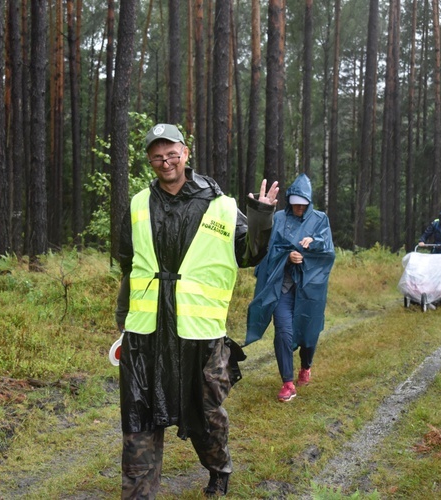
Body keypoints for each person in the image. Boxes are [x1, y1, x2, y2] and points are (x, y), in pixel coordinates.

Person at [115, 123, 279, 498]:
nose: (165, 161)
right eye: (157, 155)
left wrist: (262, 216)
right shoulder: (139, 203)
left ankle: (219, 471)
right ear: (149, 160)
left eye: (171, 153)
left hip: (198, 334)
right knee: (138, 416)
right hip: (146, 332)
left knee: (205, 416)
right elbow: (129, 264)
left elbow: (249, 254)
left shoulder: (220, 205)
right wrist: (123, 320)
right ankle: (139, 493)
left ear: (186, 153)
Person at [244, 174, 335, 403]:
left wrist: (312, 246)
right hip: (282, 287)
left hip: (309, 290)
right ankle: (287, 383)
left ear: (308, 202)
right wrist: (287, 256)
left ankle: (306, 365)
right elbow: (268, 251)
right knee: (283, 332)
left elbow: (328, 252)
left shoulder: (319, 220)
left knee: (309, 332)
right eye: (294, 203)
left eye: (302, 204)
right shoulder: (280, 219)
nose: (298, 208)